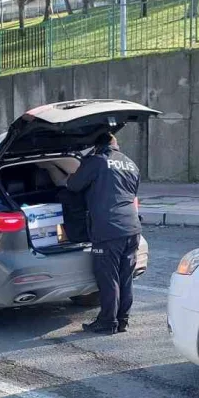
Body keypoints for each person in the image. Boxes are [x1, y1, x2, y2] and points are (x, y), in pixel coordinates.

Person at [66, 132, 142, 335]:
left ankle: (107, 322)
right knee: (125, 277)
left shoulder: (98, 161)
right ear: (115, 144)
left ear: (96, 146)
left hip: (108, 229)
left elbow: (73, 185)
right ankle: (122, 321)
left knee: (109, 278)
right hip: (132, 227)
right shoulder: (130, 163)